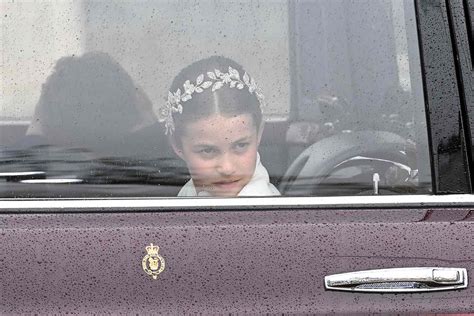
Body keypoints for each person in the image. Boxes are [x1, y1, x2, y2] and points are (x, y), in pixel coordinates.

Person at [158, 56, 280, 197]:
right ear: (177, 146)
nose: (227, 168)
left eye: (240, 145)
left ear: (259, 134)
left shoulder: (260, 210)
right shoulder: (192, 191)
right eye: (208, 150)